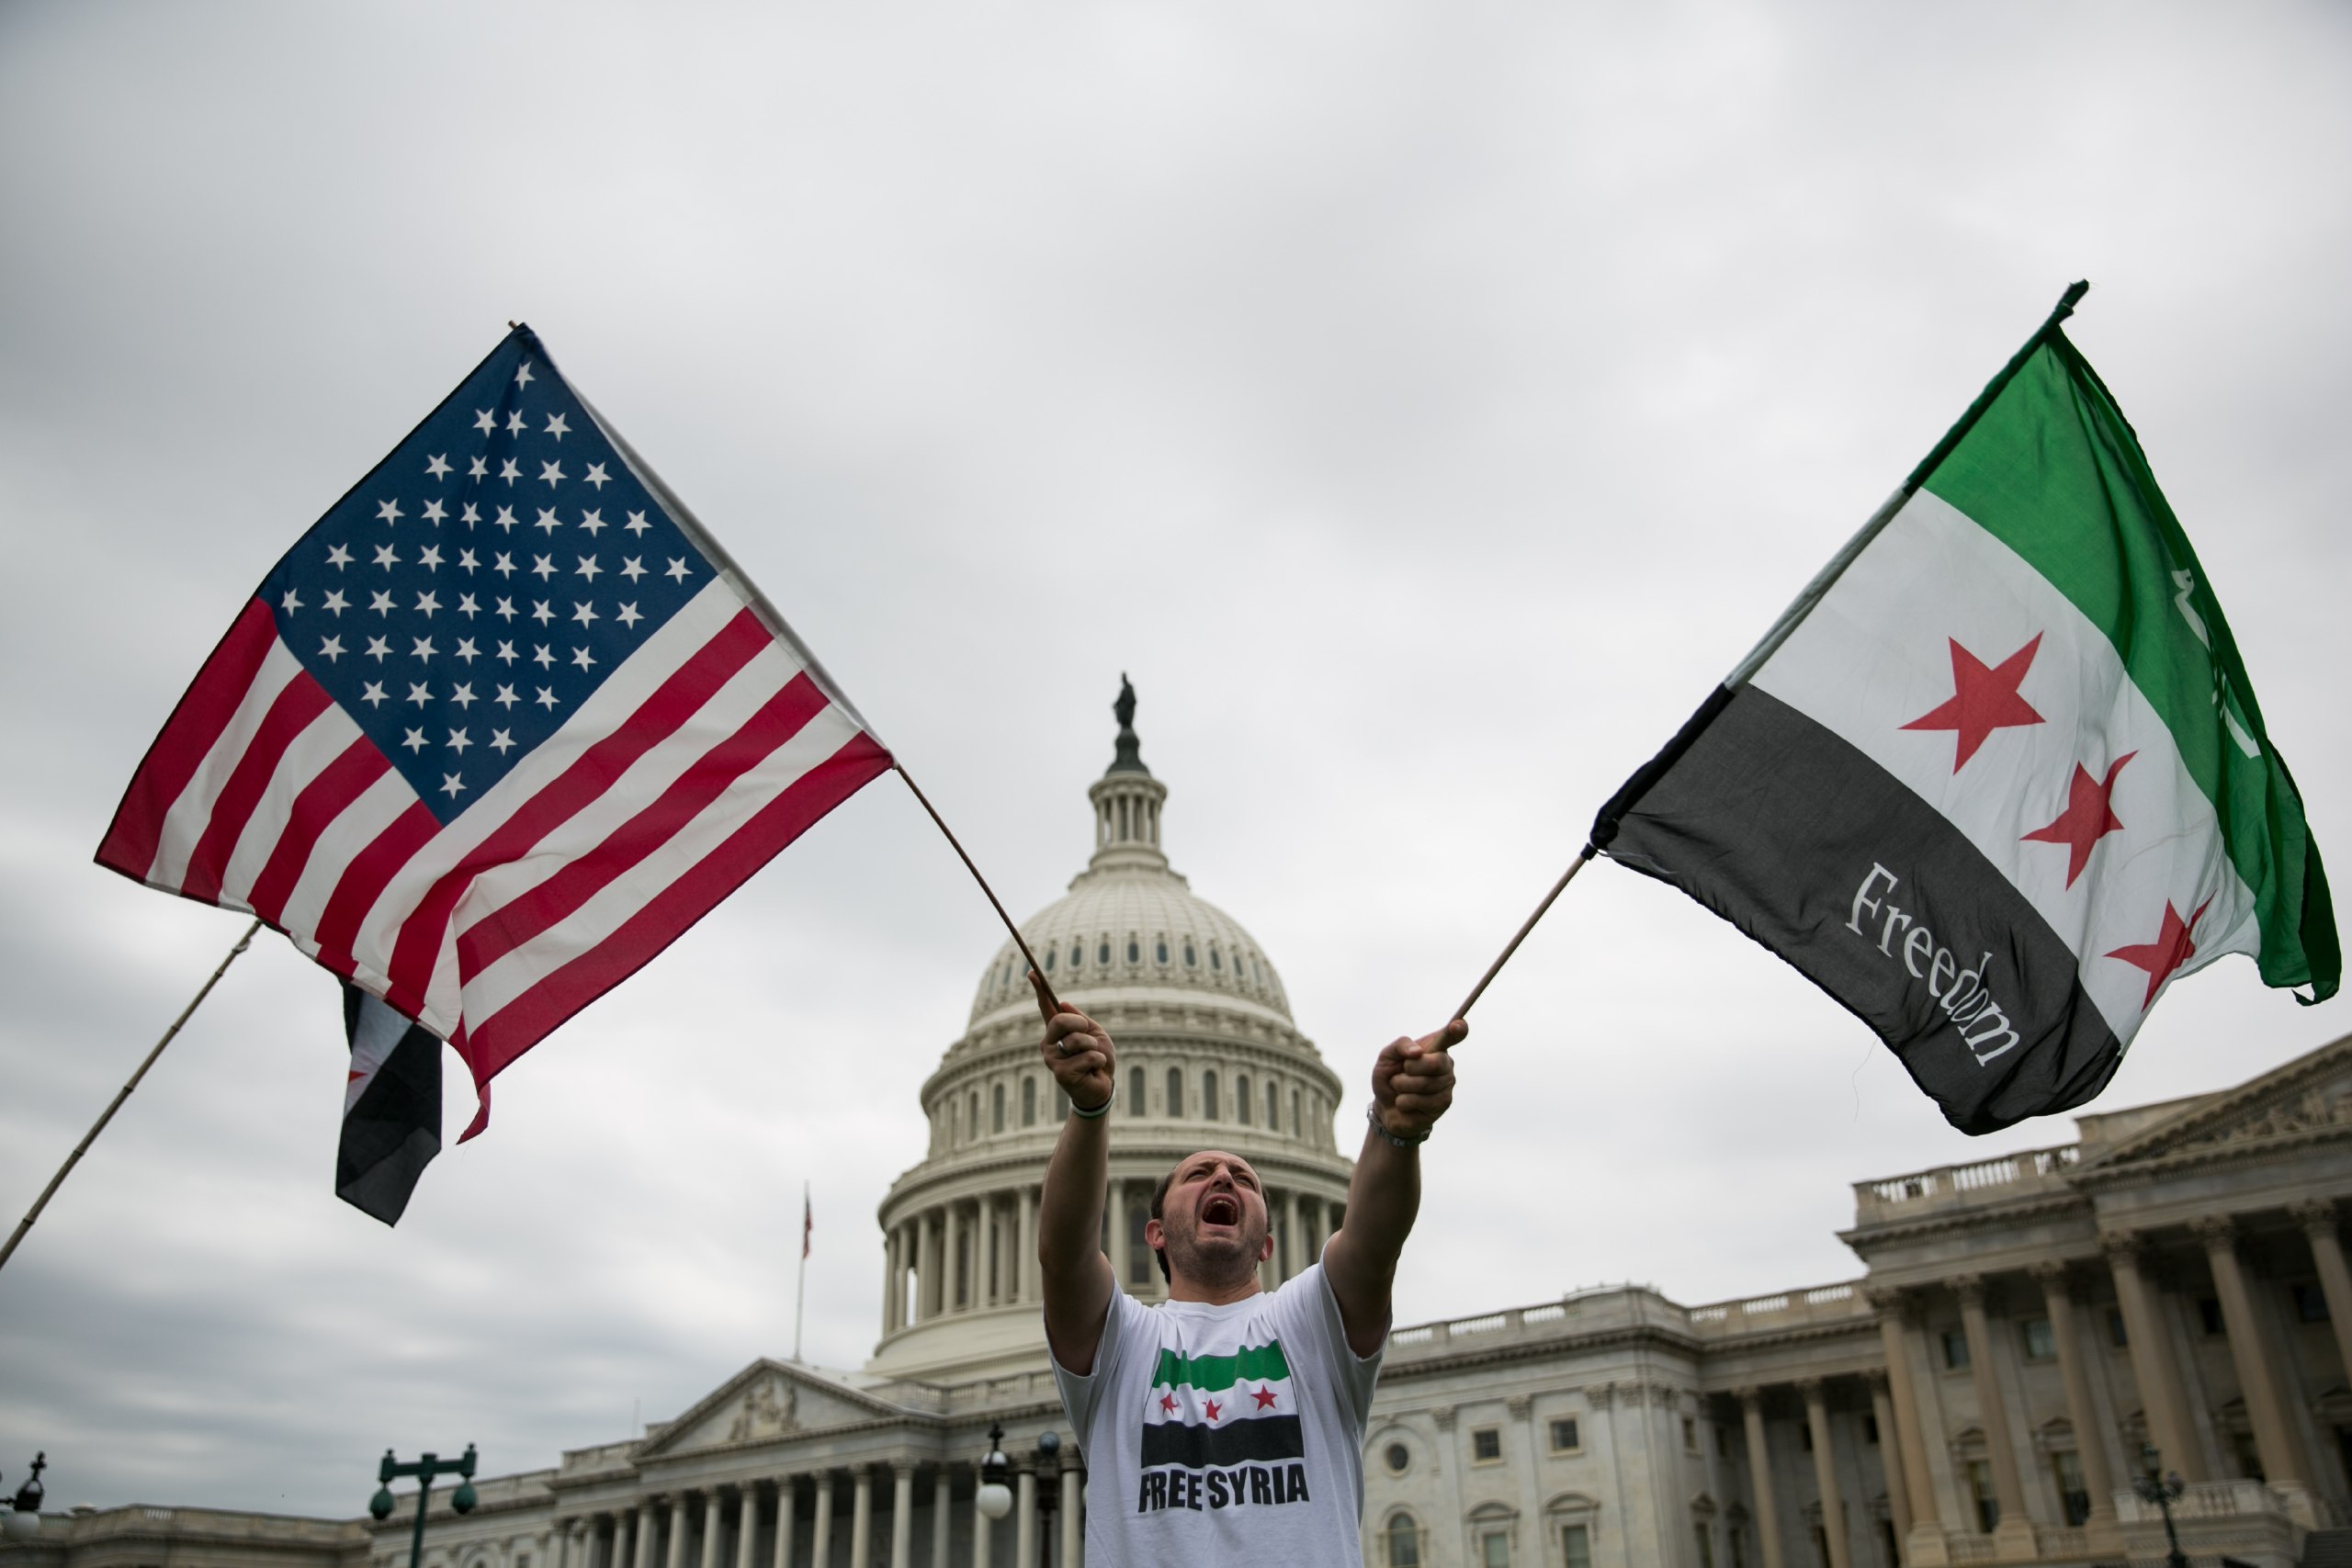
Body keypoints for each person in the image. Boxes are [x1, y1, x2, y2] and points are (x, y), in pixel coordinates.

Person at [1031, 970, 1462, 1567]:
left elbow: (1373, 1243)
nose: (1223, 1176)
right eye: (1198, 1173)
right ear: (1154, 1233)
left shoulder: (1310, 1327)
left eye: (1244, 1178)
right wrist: (1089, 1108)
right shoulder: (1122, 1344)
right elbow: (1064, 1253)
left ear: (1267, 1244)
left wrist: (1395, 1130)